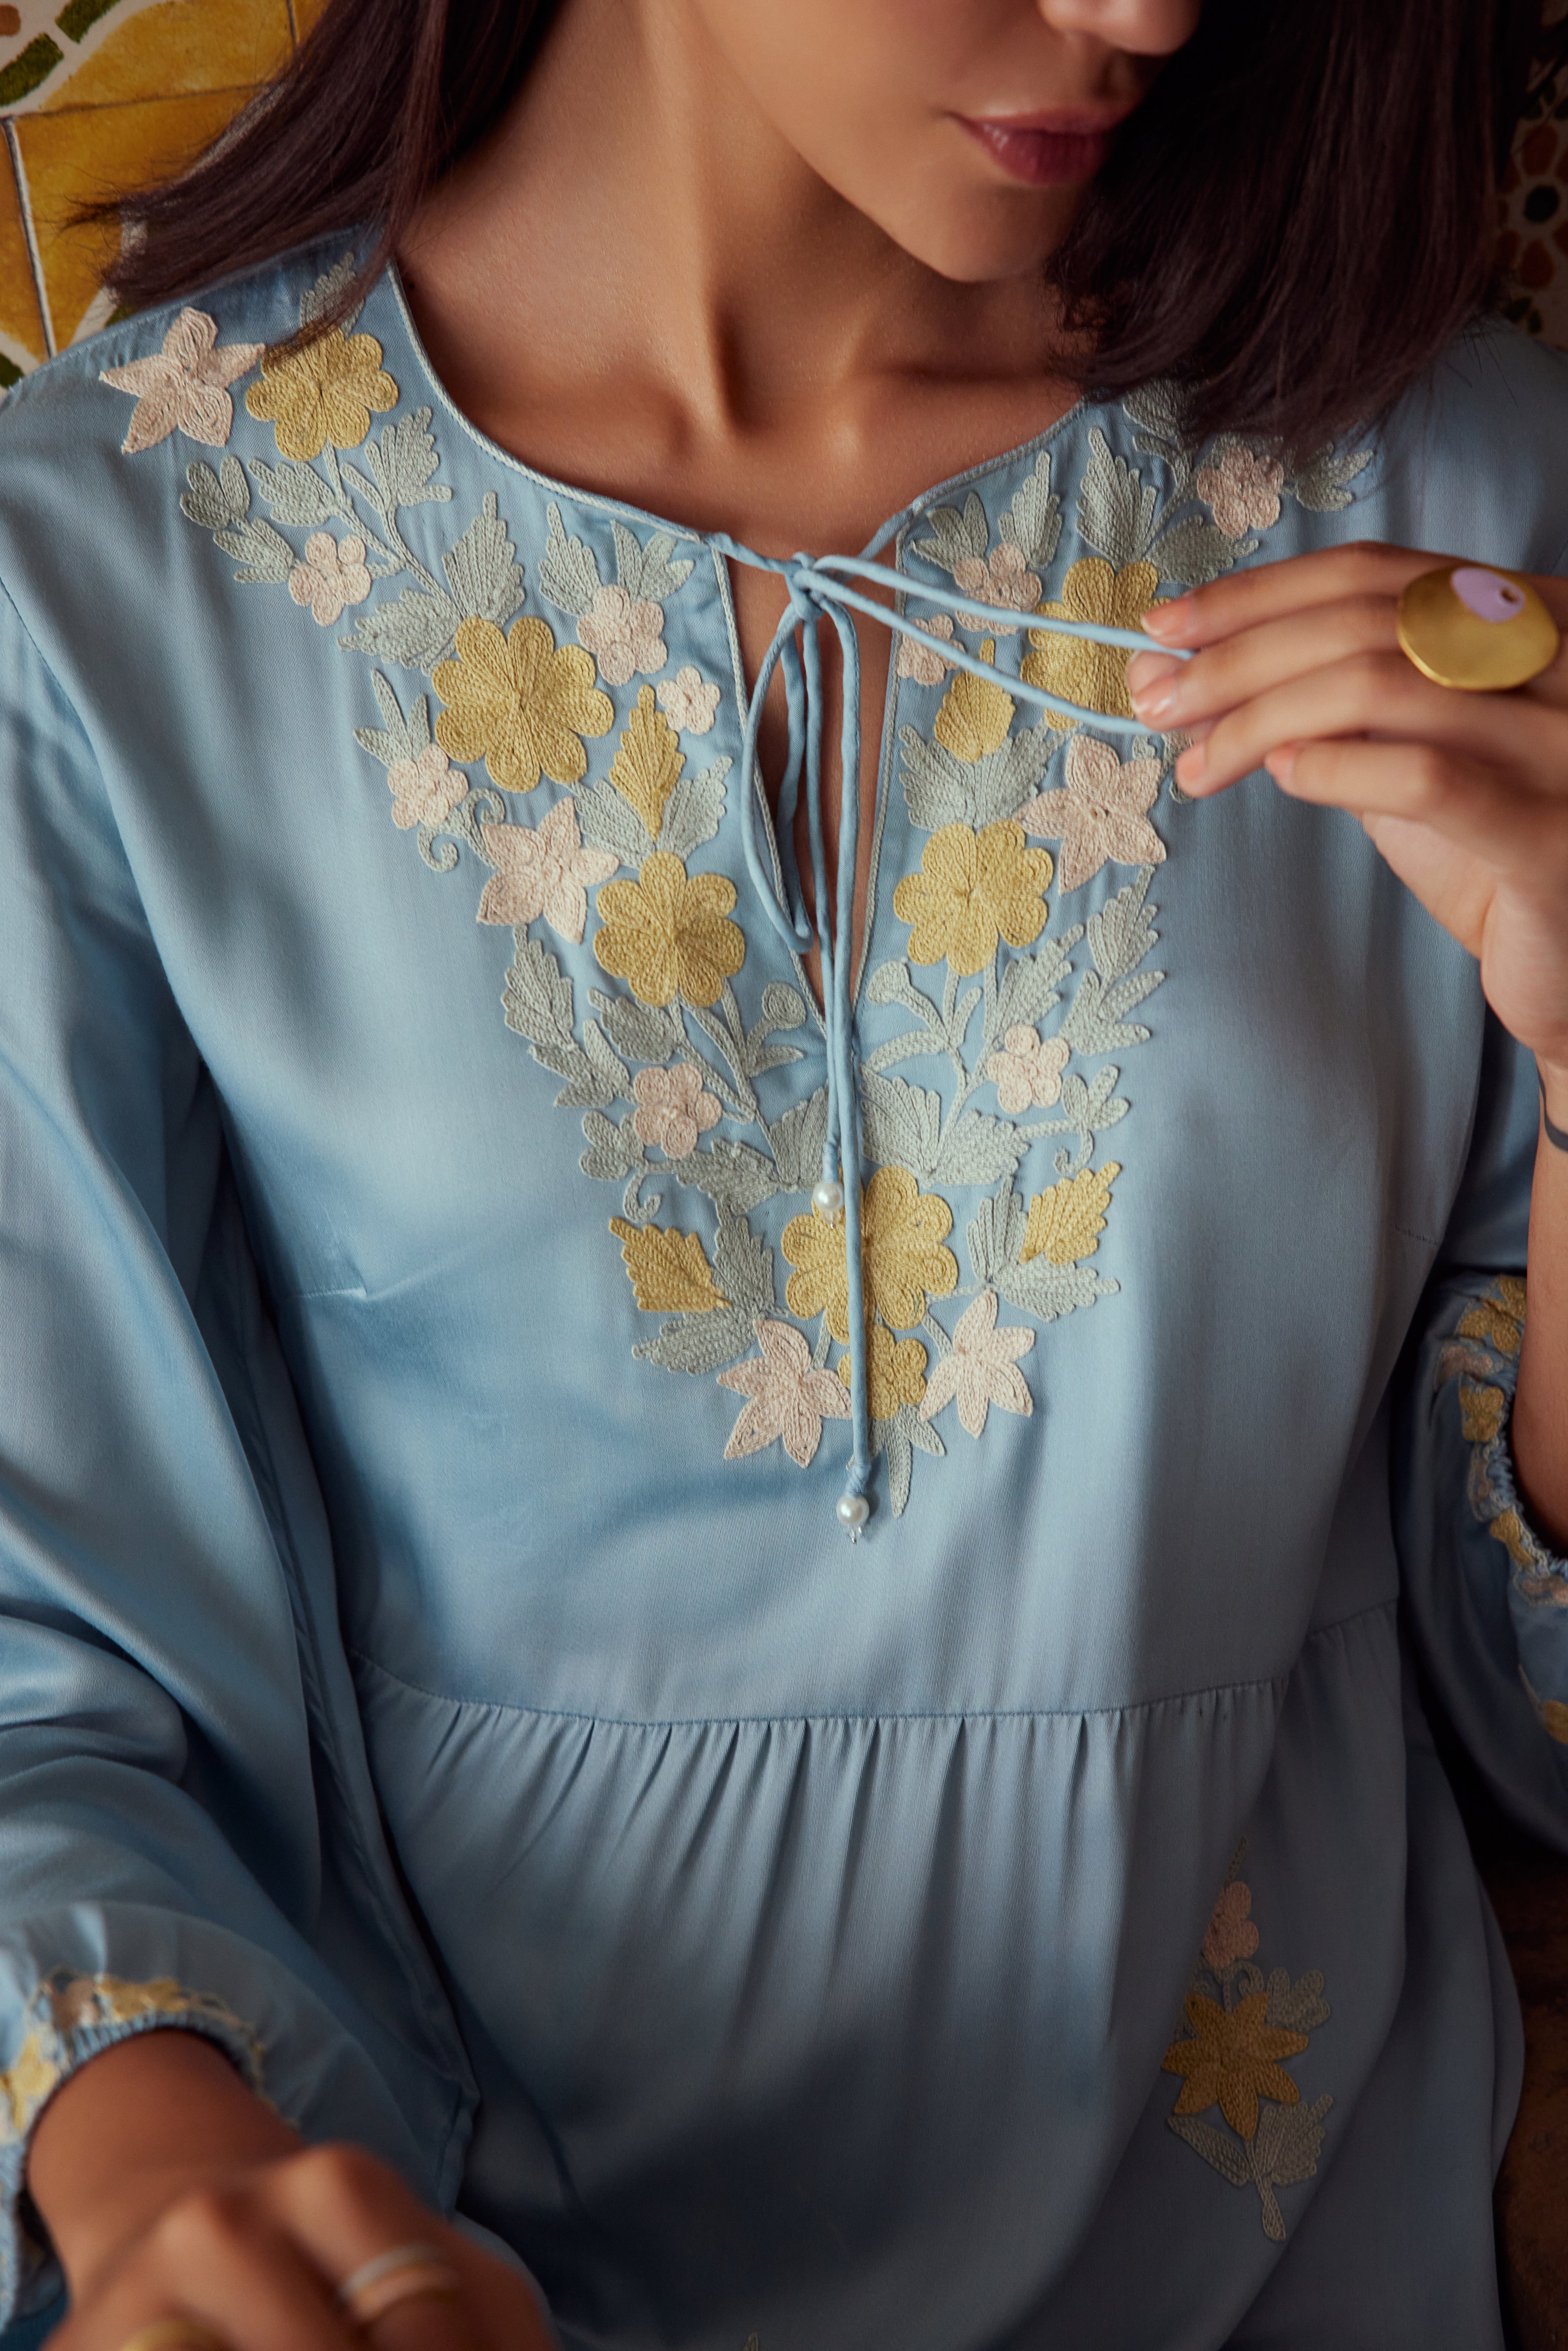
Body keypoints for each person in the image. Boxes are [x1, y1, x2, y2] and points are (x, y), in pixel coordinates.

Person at [1, 0, 1566, 2343]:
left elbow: (1533, 1706)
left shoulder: (1453, 492)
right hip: (433, 2255)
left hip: (1292, 2258)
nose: (1143, 9)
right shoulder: (95, 580)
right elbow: (46, 1652)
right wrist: (159, 2189)